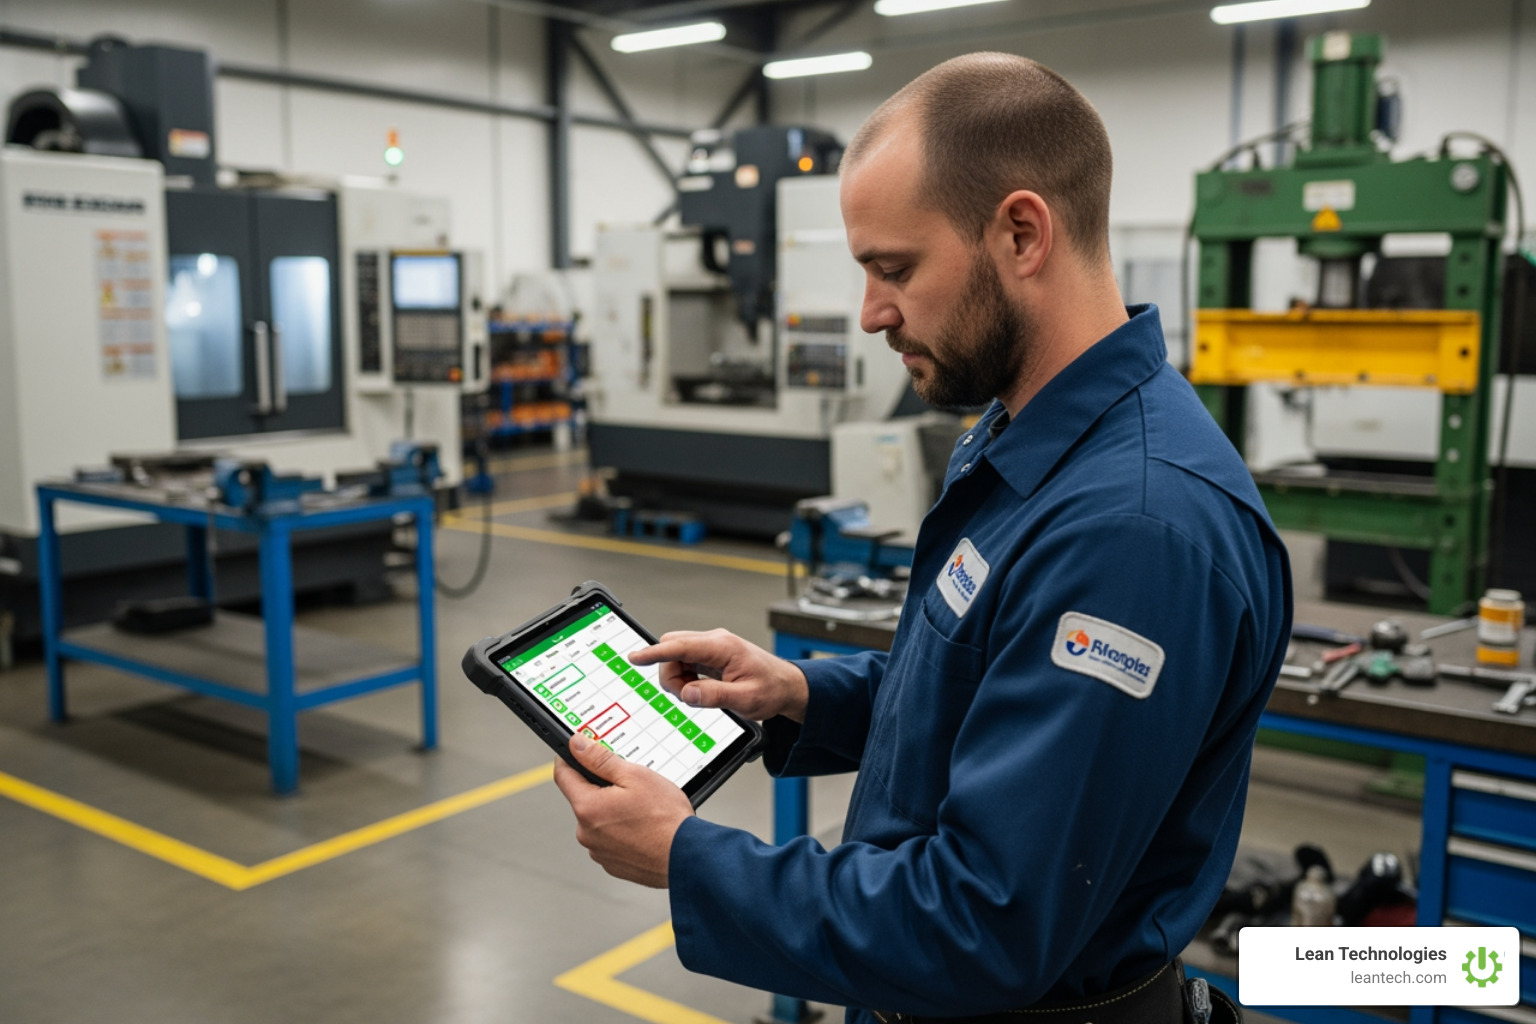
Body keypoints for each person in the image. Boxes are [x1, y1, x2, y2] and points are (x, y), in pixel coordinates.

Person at [552, 51, 1290, 1024]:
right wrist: (799, 695)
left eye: (894, 268)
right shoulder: (1023, 430)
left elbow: (981, 926)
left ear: (1022, 233)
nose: (870, 314)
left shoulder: (1134, 531)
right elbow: (987, 683)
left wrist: (691, 859)